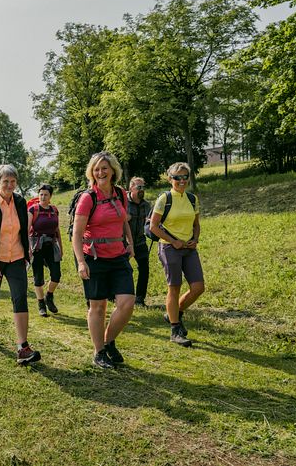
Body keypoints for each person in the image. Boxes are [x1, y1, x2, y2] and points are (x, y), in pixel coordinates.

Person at [71, 152, 135, 369]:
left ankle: (108, 341)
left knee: (127, 303)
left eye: (105, 168)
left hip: (118, 256)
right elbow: (77, 234)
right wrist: (81, 262)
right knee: (98, 307)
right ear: (92, 172)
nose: (101, 172)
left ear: (113, 170)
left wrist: (130, 243)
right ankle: (99, 352)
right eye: (97, 169)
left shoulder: (120, 193)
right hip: (94, 257)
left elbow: (123, 219)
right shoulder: (88, 198)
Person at [0, 164, 41, 365]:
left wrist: (27, 249)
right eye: (6, 181)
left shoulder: (21, 202)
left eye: (13, 181)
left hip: (16, 258)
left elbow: (24, 228)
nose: (10, 185)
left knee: (20, 297)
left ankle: (23, 347)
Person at [148, 162, 205, 348]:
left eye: (185, 177)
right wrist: (173, 241)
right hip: (169, 247)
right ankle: (175, 329)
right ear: (169, 179)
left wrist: (195, 239)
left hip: (189, 248)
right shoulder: (164, 199)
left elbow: (196, 224)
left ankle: (174, 313)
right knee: (175, 287)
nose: (181, 180)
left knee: (198, 287)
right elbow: (153, 227)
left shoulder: (192, 198)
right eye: (177, 177)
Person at [28, 184, 63, 317]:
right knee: (38, 278)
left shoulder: (54, 210)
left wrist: (61, 247)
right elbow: (26, 230)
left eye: (46, 195)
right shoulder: (33, 210)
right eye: (41, 194)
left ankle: (49, 296)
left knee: (56, 275)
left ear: (50, 196)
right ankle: (41, 304)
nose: (43, 197)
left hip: (51, 245)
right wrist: (28, 249)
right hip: (36, 246)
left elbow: (57, 230)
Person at [127, 177, 152, 307]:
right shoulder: (123, 202)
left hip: (140, 242)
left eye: (143, 187)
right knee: (122, 270)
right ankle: (114, 295)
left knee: (144, 269)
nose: (142, 190)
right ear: (131, 188)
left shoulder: (146, 205)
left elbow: (151, 221)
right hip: (124, 243)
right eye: (139, 187)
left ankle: (139, 299)